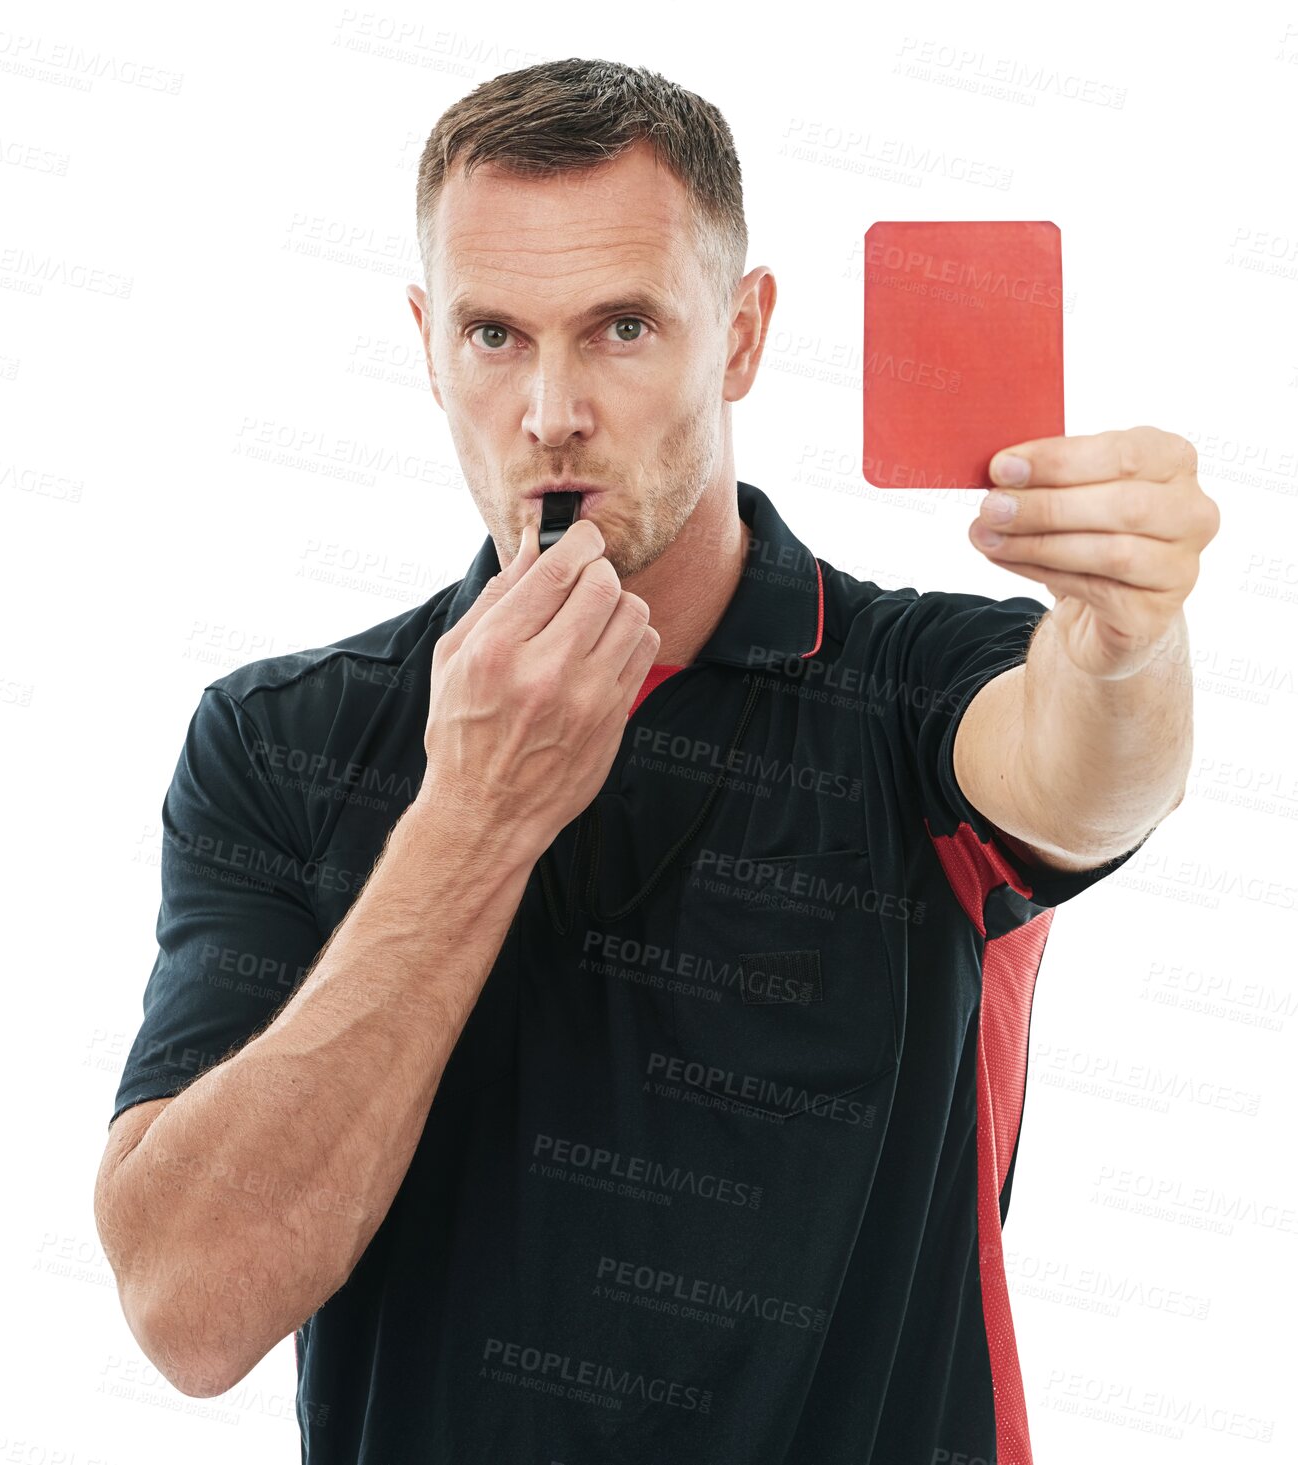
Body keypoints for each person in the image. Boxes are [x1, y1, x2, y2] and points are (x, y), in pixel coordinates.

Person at [93, 57, 1219, 1464]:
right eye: (494, 335)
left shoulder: (906, 688)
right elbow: (188, 1309)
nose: (551, 408)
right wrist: (471, 821)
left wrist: (1124, 644)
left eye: (622, 326)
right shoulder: (280, 741)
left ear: (741, 336)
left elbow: (1088, 767)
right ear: (425, 338)